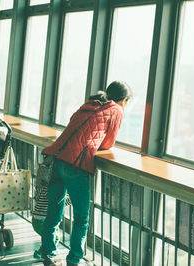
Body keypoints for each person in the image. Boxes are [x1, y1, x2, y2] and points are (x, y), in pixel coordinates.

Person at [39, 81, 132, 266]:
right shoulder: (116, 110)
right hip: (76, 165)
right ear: (124, 100)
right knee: (81, 218)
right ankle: (74, 260)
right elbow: (107, 143)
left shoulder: (88, 104)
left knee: (54, 211)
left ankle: (49, 253)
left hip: (56, 160)